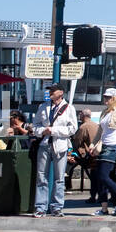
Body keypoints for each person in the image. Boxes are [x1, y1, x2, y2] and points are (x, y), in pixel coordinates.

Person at [32, 83, 77, 217]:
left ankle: (57, 207)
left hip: (60, 145)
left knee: (59, 178)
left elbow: (72, 128)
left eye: (53, 90)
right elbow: (36, 125)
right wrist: (42, 131)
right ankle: (40, 207)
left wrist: (53, 130)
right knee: (41, 177)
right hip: (45, 144)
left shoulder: (69, 108)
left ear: (61, 93)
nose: (50, 92)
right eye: (50, 90)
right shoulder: (43, 107)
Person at [94, 89, 116, 215]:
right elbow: (99, 131)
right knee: (100, 178)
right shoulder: (105, 112)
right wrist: (93, 144)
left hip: (112, 146)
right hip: (102, 146)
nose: (106, 99)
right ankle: (104, 208)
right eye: (105, 97)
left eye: (108, 97)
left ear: (114, 98)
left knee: (104, 176)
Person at [70, 109, 101, 201]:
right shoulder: (96, 125)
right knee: (98, 176)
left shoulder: (83, 127)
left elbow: (77, 142)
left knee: (94, 176)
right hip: (98, 153)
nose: (79, 115)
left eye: (80, 114)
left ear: (83, 116)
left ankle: (93, 196)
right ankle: (100, 196)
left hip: (90, 155)